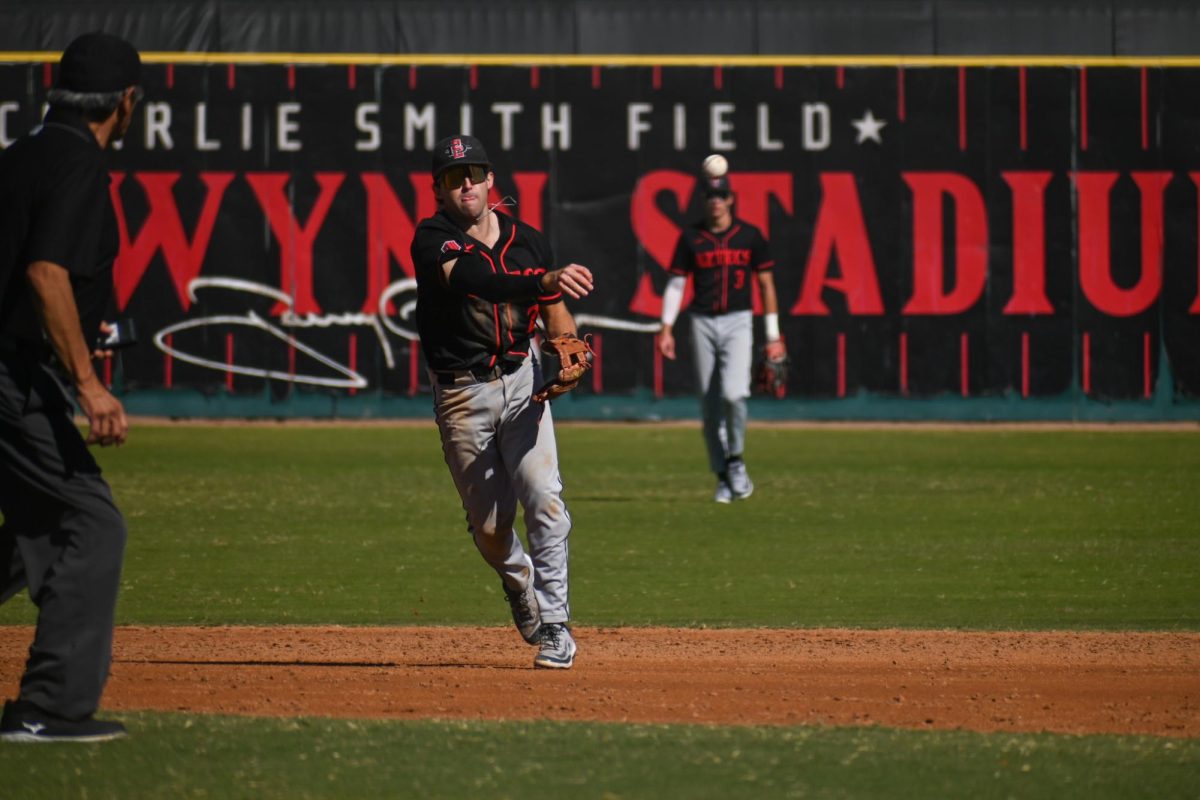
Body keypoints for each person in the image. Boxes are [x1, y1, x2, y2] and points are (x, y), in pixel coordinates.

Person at [0, 32, 142, 742]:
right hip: (11, 378)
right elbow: (46, 274)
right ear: (125, 102)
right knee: (90, 524)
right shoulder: (79, 164)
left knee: (27, 532)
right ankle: (48, 706)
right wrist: (90, 385)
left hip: (16, 372)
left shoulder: (20, 156)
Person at [410, 134, 593, 669]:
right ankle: (520, 583)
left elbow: (555, 311)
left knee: (544, 496)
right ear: (439, 190)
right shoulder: (433, 238)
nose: (464, 183)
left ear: (491, 180)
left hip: (522, 380)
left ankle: (557, 625)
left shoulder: (528, 241)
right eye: (452, 177)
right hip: (462, 394)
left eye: (473, 172)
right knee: (491, 530)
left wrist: (569, 346)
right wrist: (543, 280)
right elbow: (476, 281)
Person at [657, 162, 786, 504]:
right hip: (701, 321)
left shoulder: (750, 236)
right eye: (710, 195)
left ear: (731, 199)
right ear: (704, 200)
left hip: (738, 320)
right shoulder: (691, 237)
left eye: (721, 195)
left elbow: (766, 284)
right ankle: (723, 475)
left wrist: (773, 334)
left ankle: (737, 459)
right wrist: (666, 326)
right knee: (710, 406)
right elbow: (676, 283)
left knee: (734, 395)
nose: (716, 201)